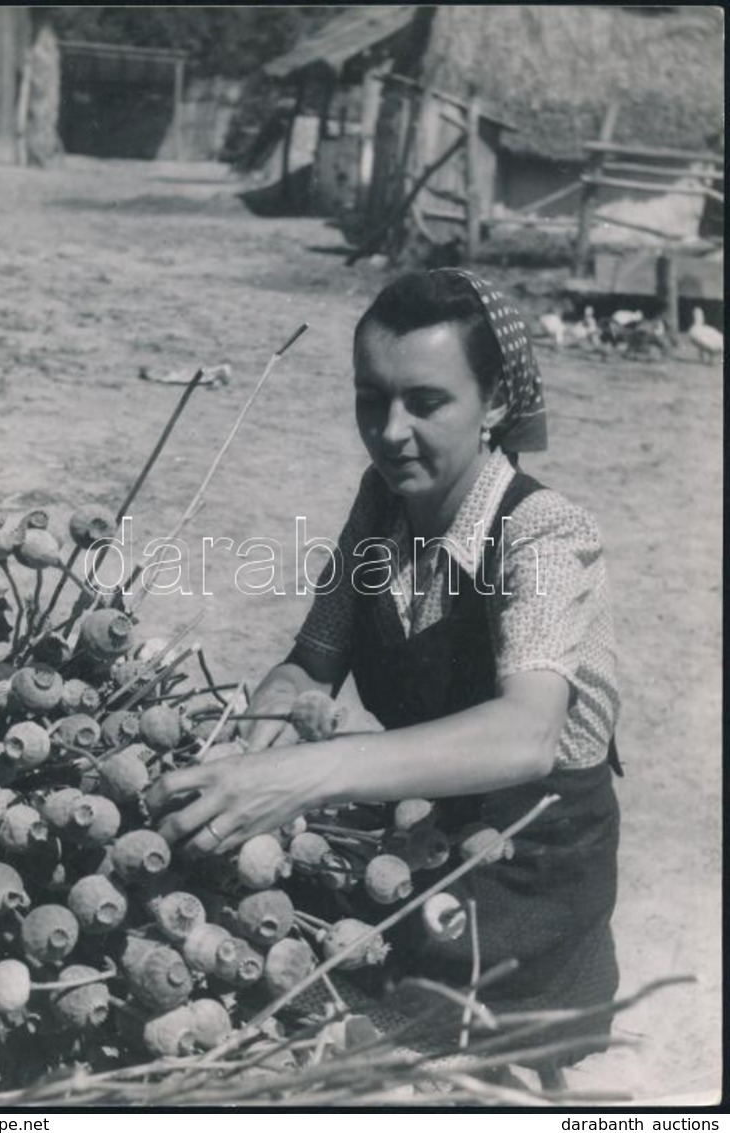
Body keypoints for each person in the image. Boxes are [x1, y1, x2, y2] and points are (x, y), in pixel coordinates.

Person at [153, 269, 622, 1075]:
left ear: (497, 404)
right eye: (372, 398)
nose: (390, 430)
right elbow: (312, 660)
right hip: (410, 842)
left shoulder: (544, 536)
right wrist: (271, 723)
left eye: (426, 402)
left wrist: (300, 776)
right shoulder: (382, 505)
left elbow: (528, 734)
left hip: (522, 886)